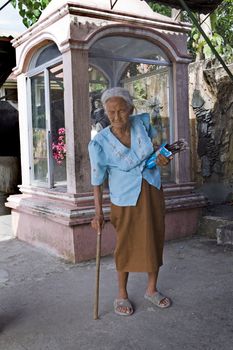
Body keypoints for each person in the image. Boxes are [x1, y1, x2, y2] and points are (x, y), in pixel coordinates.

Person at [88, 87, 172, 316]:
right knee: (125, 243)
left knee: (155, 236)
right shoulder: (100, 143)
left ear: (131, 109)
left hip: (152, 189)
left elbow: (156, 150)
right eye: (111, 112)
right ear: (105, 113)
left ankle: (152, 289)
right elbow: (97, 180)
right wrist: (98, 212)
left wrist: (162, 158)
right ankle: (122, 294)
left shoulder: (143, 124)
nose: (116, 117)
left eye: (121, 111)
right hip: (124, 197)